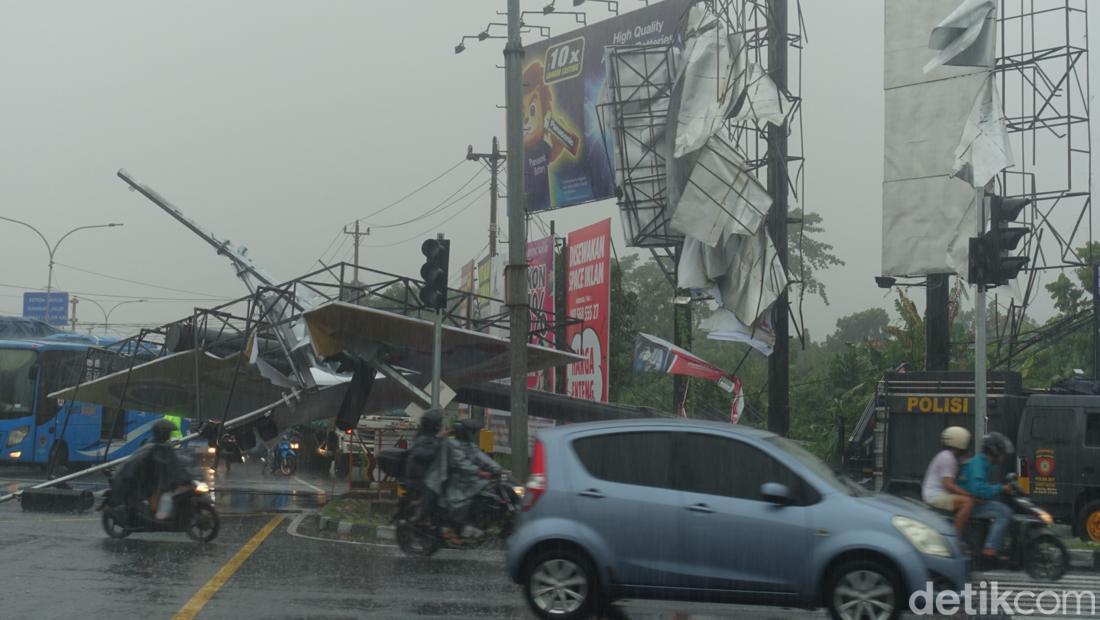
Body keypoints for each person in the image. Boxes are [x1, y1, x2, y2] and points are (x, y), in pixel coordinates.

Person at [958, 432, 1016, 559]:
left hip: (974, 501)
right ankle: (990, 549)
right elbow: (978, 489)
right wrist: (1001, 488)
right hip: (970, 504)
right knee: (1004, 512)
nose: (1003, 457)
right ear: (994, 451)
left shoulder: (984, 463)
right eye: (1002, 453)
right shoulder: (978, 464)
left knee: (1000, 506)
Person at [442, 419, 502, 539]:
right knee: (461, 502)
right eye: (472, 431)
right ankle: (453, 530)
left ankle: (477, 522)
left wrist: (498, 469)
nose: (474, 434)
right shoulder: (452, 444)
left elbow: (482, 458)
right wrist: (480, 472)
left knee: (487, 491)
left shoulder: (470, 445)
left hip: (469, 478)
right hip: (455, 479)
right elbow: (462, 463)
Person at [921, 426, 975, 537]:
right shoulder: (948, 458)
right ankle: (955, 537)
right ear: (960, 441)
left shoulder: (947, 456)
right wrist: (969, 494)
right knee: (968, 502)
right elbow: (949, 485)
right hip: (935, 496)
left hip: (936, 493)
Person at [404, 410, 444, 524]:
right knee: (433, 492)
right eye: (438, 423)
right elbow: (426, 453)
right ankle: (420, 515)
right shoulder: (424, 439)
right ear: (434, 425)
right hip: (420, 478)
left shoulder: (428, 436)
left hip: (427, 475)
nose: (440, 426)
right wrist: (439, 446)